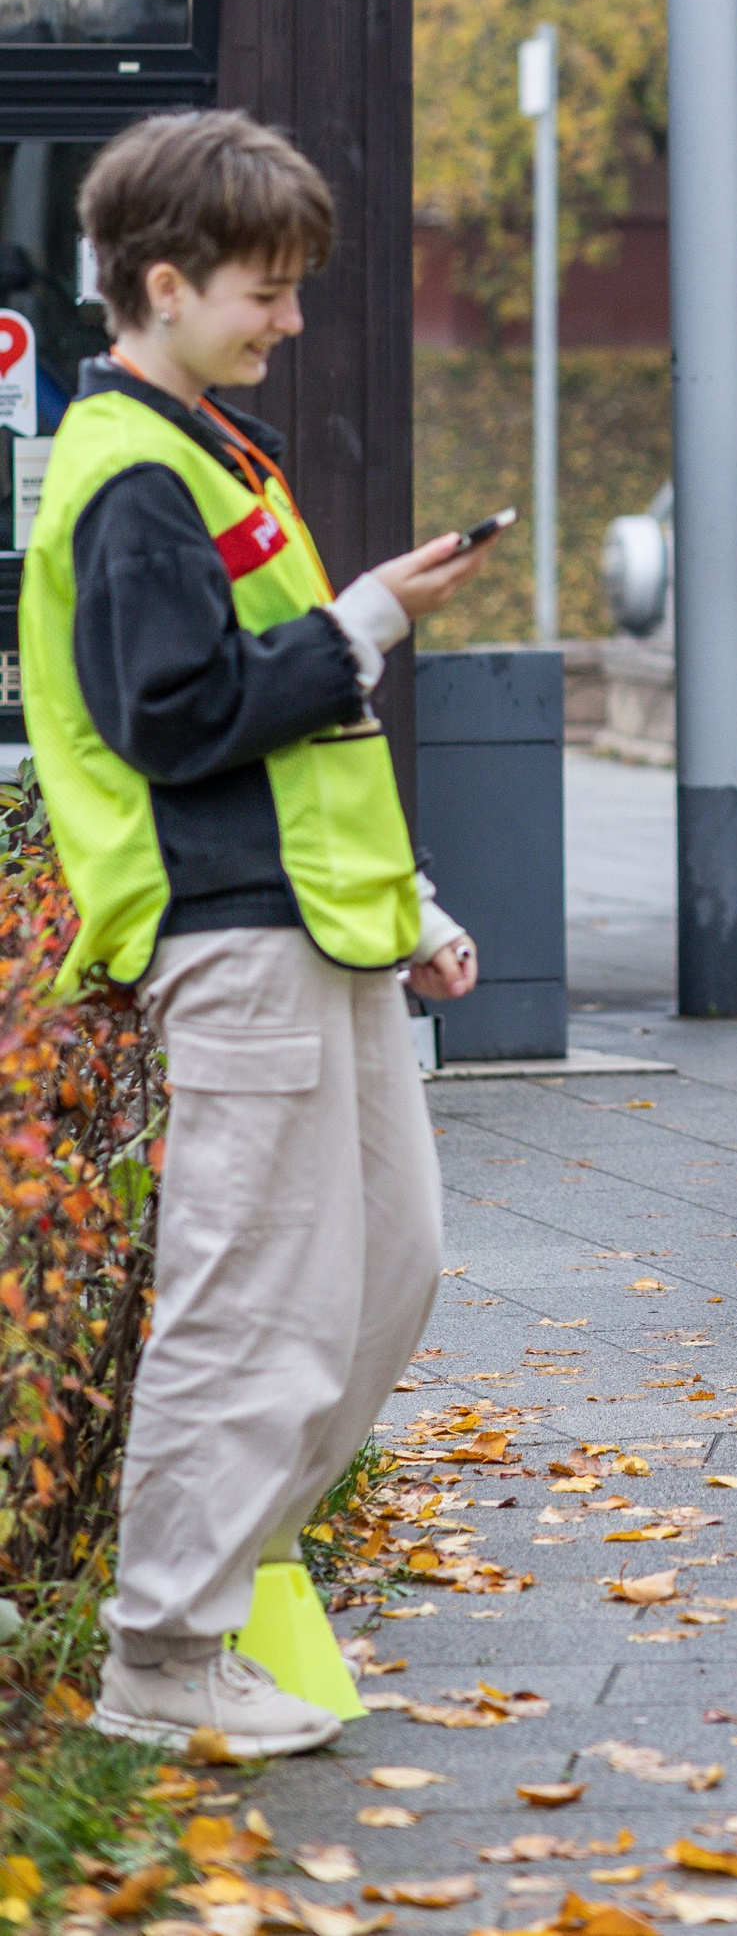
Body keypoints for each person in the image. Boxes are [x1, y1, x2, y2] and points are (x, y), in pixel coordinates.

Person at [18, 110, 493, 1760]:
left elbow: (290, 746)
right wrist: (363, 618)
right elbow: (178, 716)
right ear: (167, 280)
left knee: (385, 1272)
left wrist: (406, 905)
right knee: (256, 1301)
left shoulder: (203, 452)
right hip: (236, 945)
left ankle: (217, 1588)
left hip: (307, 933)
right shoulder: (141, 474)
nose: (290, 320)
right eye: (266, 290)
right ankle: (167, 1649)